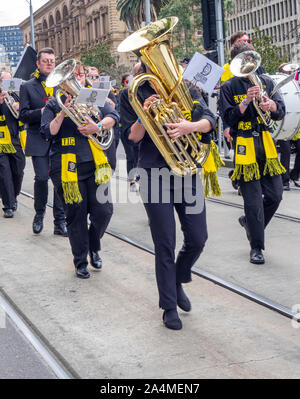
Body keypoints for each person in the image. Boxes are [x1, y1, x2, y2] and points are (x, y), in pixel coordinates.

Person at [120, 63, 216, 330]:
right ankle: (168, 306)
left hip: (187, 171)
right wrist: (144, 114)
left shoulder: (184, 87)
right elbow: (131, 137)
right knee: (165, 243)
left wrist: (190, 126)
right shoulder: (133, 92)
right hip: (153, 174)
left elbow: (210, 121)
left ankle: (177, 277)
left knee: (198, 238)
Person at [40, 63, 119, 279]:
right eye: (72, 76)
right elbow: (47, 131)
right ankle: (81, 260)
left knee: (104, 212)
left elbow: (114, 116)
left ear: (84, 77)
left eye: (79, 74)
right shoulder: (53, 104)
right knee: (76, 216)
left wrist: (99, 126)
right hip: (66, 167)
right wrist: (64, 112)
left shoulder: (93, 96)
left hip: (95, 164)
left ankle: (94, 245)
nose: (77, 78)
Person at [219, 41, 286, 265]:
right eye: (244, 61)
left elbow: (280, 111)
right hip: (244, 144)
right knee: (253, 201)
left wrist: (270, 106)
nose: (249, 65)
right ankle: (256, 247)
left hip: (265, 143)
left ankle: (250, 224)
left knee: (275, 195)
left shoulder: (266, 81)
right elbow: (228, 118)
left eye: (251, 60)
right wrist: (246, 101)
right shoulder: (229, 87)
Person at [19, 47, 67, 236]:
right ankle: (39, 214)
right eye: (45, 60)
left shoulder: (62, 85)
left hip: (59, 139)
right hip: (38, 138)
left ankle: (60, 222)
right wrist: (42, 112)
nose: (49, 63)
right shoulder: (27, 86)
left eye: (52, 61)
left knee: (60, 182)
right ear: (38, 64)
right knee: (41, 178)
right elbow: (23, 115)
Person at [0, 89, 25, 218]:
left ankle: (12, 196)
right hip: (0, 141)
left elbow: (24, 115)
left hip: (14, 139)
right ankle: (8, 205)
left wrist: (20, 107)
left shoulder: (14, 96)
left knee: (18, 171)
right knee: (5, 174)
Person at [276, 63, 300, 190]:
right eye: (288, 71)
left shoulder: (296, 85)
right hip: (283, 124)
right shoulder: (278, 85)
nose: (291, 73)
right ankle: (284, 180)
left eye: (292, 71)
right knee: (285, 152)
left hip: (295, 123)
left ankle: (294, 175)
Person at [119, 66, 141, 192]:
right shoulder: (123, 94)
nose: (130, 83)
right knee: (131, 156)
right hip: (126, 129)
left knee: (138, 155)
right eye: (127, 82)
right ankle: (132, 181)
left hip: (140, 129)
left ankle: (138, 176)